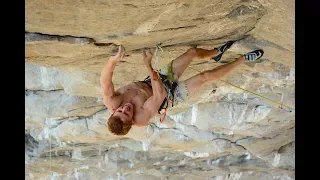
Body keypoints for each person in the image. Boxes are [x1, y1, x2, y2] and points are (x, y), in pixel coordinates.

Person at [101, 41, 264, 136]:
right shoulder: (141, 119)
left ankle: (215, 53)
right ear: (131, 121)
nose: (125, 109)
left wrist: (113, 60)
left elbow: (105, 81)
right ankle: (243, 59)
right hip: (169, 95)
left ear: (114, 111)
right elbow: (160, 94)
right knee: (204, 77)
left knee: (192, 52)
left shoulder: (113, 101)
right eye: (127, 114)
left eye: (120, 111)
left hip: (153, 82)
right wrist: (148, 65)